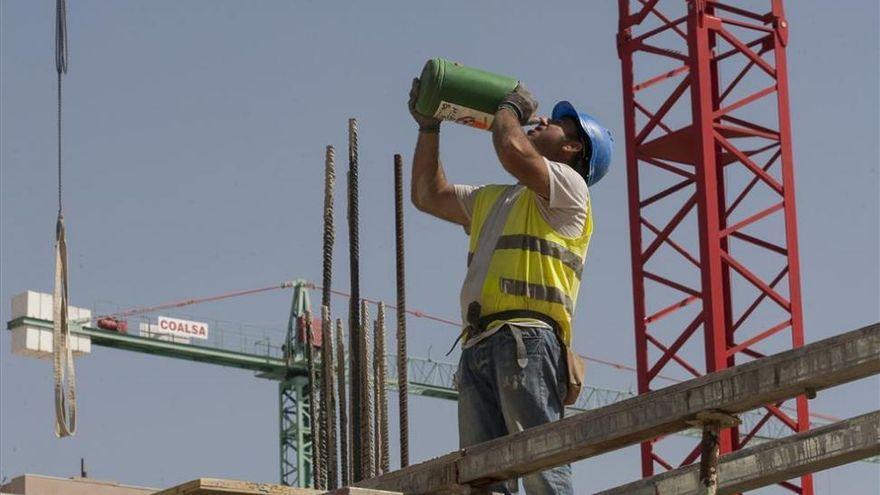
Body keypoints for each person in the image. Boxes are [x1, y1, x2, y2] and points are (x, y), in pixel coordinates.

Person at [408, 77, 613, 494]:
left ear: (573, 147)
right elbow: (428, 194)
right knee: (483, 478)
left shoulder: (570, 189)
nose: (542, 123)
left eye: (556, 124)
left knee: (540, 464)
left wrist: (510, 108)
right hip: (479, 344)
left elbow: (511, 149)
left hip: (528, 341)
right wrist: (429, 128)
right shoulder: (496, 199)